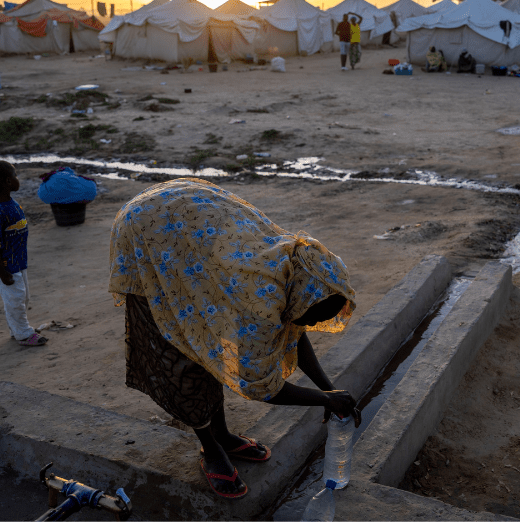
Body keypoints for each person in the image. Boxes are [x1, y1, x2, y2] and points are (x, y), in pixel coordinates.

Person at [109, 178, 362, 500]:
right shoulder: (258, 307)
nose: (309, 325)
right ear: (301, 301)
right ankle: (211, 447)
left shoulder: (302, 273)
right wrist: (324, 401)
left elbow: (293, 332)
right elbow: (258, 385)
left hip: (190, 220)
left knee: (216, 352)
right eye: (312, 319)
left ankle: (224, 434)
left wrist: (328, 387)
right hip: (149, 235)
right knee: (183, 360)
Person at [0, 160, 47, 347]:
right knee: (15, 299)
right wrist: (2, 271)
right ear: (7, 182)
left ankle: (17, 328)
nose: (17, 179)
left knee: (22, 297)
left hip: (19, 260)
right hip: (6, 263)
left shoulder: (12, 204)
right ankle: (24, 334)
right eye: (15, 176)